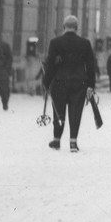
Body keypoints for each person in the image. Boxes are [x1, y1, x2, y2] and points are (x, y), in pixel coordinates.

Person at [43, 16, 97, 152]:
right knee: (75, 111)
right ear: (77, 28)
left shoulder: (55, 42)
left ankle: (56, 140)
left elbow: (50, 65)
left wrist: (46, 82)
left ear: (63, 27)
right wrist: (91, 85)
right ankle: (73, 142)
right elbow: (91, 66)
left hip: (60, 82)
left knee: (58, 111)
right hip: (79, 82)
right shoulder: (85, 43)